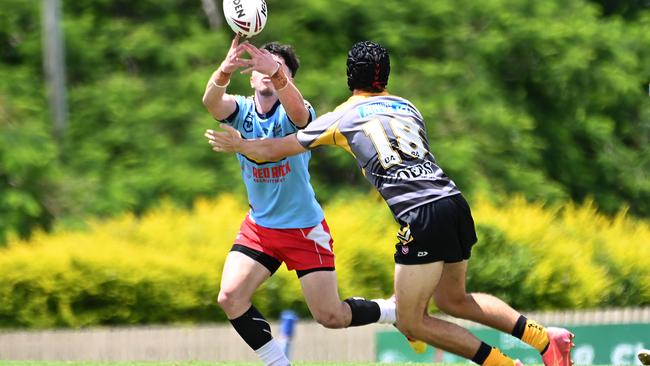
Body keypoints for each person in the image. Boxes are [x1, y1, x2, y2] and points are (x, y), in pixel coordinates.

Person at [205, 40, 576, 366]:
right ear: (385, 77)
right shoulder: (407, 106)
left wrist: (241, 146)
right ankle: (545, 340)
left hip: (419, 215)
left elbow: (276, 147)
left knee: (414, 321)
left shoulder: (341, 117)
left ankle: (504, 365)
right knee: (455, 299)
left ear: (350, 78)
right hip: (453, 201)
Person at [201, 36, 399, 366]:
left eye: (278, 68)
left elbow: (297, 112)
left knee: (331, 315)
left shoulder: (298, 112)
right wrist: (223, 71)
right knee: (230, 297)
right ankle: (279, 363)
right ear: (250, 76)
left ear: (289, 79)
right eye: (261, 67)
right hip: (260, 228)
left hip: (303, 229)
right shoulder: (242, 112)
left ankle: (391, 310)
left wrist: (275, 72)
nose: (267, 71)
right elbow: (211, 103)